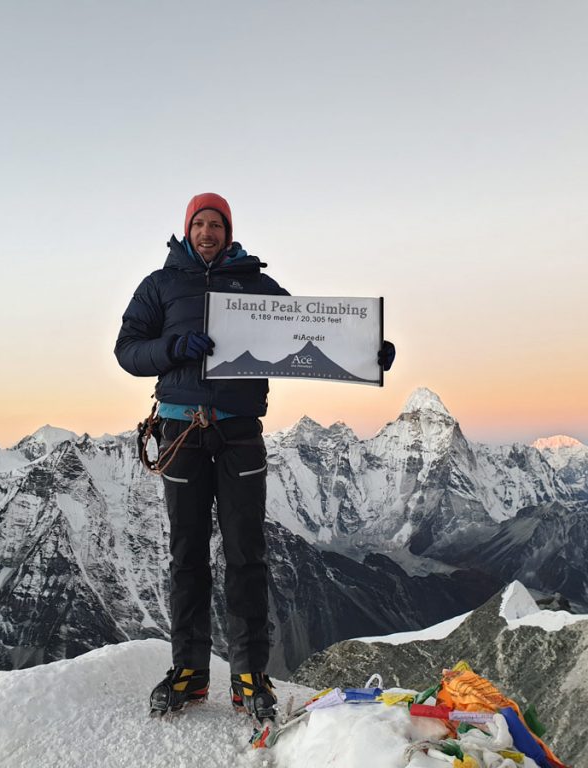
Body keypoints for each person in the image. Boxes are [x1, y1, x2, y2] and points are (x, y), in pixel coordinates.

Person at [114, 193, 395, 721]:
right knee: (187, 555)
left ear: (228, 231)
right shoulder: (160, 284)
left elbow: (310, 330)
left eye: (215, 224)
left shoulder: (257, 285)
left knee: (247, 554)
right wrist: (174, 349)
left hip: (239, 430)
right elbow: (127, 350)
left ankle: (249, 672)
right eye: (198, 223)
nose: (206, 232)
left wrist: (367, 352)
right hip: (179, 430)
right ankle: (189, 669)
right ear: (186, 229)